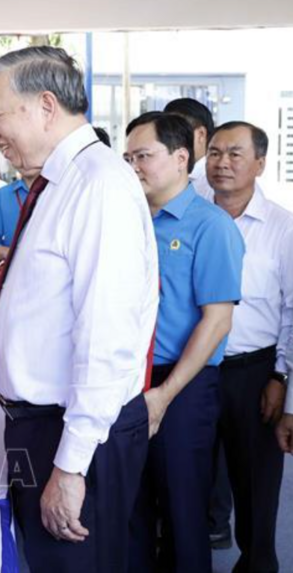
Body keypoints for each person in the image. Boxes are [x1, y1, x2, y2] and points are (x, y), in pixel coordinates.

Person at [0, 46, 159, 573]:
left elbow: (106, 338)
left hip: (74, 432)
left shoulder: (98, 186)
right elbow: (30, 298)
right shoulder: (55, 184)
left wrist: (70, 465)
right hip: (42, 425)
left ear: (44, 106)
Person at [125, 111, 244, 573]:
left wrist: (165, 395)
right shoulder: (131, 221)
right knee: (131, 505)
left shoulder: (210, 226)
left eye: (144, 156)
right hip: (131, 379)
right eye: (128, 156)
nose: (134, 166)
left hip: (183, 384)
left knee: (181, 510)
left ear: (180, 158)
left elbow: (217, 322)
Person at [206, 121, 292, 572]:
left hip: (254, 373)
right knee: (184, 481)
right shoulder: (192, 215)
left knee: (256, 489)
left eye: (235, 154)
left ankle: (259, 564)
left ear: (260, 162)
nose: (222, 163)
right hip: (194, 369)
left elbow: (292, 314)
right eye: (216, 152)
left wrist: (280, 378)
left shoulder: (282, 228)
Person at [164, 97, 215, 197]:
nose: (169, 141)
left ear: (200, 134)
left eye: (177, 133)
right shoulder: (170, 172)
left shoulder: (215, 179)